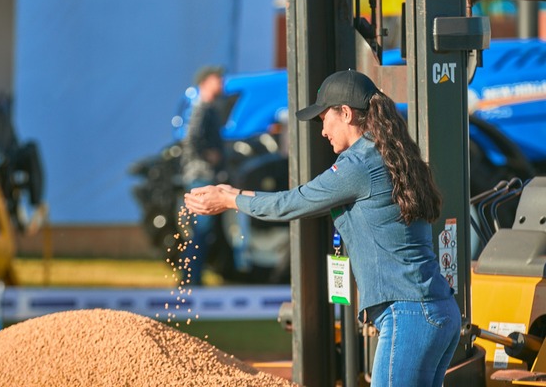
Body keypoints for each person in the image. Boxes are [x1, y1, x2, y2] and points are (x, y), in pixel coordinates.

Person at [184, 69, 461, 386]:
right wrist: (232, 193)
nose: (322, 131)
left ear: (345, 113)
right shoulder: (385, 153)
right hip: (435, 310)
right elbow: (299, 199)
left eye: (324, 119)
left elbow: (293, 203)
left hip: (408, 313)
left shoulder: (358, 164)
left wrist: (230, 201)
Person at [180, 65, 226, 285]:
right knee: (199, 229)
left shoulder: (209, 108)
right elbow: (191, 139)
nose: (222, 83)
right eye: (218, 79)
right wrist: (210, 155)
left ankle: (193, 278)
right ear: (206, 82)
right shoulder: (200, 108)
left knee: (202, 231)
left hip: (204, 175)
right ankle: (190, 279)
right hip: (200, 175)